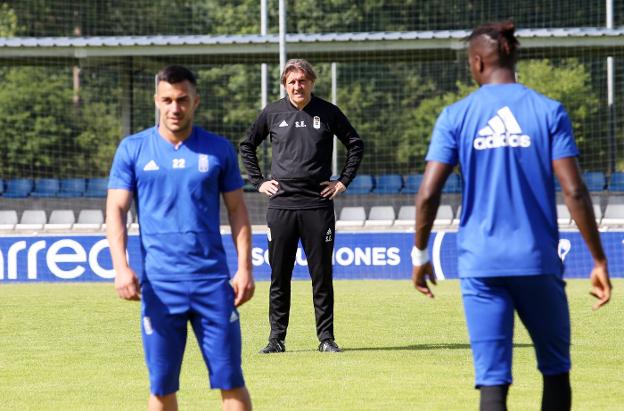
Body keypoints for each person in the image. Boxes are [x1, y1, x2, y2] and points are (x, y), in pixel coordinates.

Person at [411, 22, 612, 411]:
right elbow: (574, 190)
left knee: (493, 383)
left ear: (477, 61)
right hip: (536, 262)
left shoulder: (456, 115)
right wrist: (599, 260)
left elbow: (427, 194)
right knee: (555, 372)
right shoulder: (548, 110)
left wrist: (419, 256)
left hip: (481, 265)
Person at [106, 65, 255, 411]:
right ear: (156, 101)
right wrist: (121, 267)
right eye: (168, 100)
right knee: (161, 386)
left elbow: (237, 210)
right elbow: (116, 209)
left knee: (231, 380)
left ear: (195, 101)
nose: (175, 108)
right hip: (159, 287)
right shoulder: (133, 150)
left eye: (182, 100)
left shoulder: (217, 149)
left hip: (212, 284)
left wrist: (245, 268)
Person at [240, 58, 364, 354]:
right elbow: (247, 145)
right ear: (285, 84)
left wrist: (342, 181)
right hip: (281, 206)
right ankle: (276, 339)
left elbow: (355, 144)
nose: (298, 86)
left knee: (321, 276)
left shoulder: (328, 112)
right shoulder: (272, 112)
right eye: (292, 81)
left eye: (303, 80)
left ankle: (326, 338)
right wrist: (258, 182)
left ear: (311, 83)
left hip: (317, 206)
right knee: (279, 276)